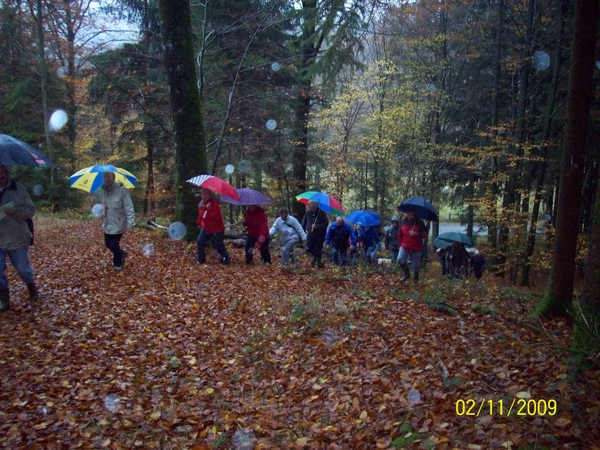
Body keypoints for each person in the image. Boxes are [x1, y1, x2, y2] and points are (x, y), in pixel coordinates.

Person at [0, 164, 38, 311]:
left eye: (2, 177)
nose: (0, 180)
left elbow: (30, 210)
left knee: (22, 268)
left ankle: (30, 285)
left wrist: (15, 212)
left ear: (6, 173)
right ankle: (4, 298)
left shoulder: (18, 188)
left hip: (17, 236)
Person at [92, 171, 136, 271]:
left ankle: (118, 265)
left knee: (114, 244)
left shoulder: (122, 190)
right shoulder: (99, 191)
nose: (107, 179)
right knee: (107, 244)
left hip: (119, 222)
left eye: (109, 177)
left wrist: (131, 222)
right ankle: (122, 253)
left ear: (114, 178)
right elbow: (93, 205)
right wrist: (100, 207)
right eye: (105, 177)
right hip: (106, 222)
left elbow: (129, 206)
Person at [196, 188, 230, 265]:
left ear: (210, 195)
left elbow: (215, 216)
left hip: (217, 228)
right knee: (200, 241)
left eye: (205, 194)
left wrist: (208, 209)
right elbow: (201, 215)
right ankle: (201, 259)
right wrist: (199, 223)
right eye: (202, 194)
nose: (203, 196)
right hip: (206, 227)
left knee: (218, 245)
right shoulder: (201, 204)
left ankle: (226, 258)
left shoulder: (214, 203)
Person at [397, 207, 428, 283]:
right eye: (407, 213)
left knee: (415, 266)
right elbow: (400, 234)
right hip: (405, 246)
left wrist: (416, 234)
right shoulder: (403, 222)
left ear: (414, 213)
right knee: (400, 259)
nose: (409, 214)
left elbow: (425, 234)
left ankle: (415, 279)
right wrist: (400, 245)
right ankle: (406, 274)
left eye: (411, 213)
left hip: (416, 248)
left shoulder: (420, 222)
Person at [302, 201, 329, 268]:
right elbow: (304, 223)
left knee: (318, 249)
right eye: (308, 206)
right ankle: (314, 257)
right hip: (310, 234)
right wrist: (303, 231)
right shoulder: (307, 214)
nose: (308, 207)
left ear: (314, 206)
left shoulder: (322, 214)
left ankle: (318, 262)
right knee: (309, 248)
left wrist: (316, 226)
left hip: (319, 235)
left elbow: (325, 224)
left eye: (310, 206)